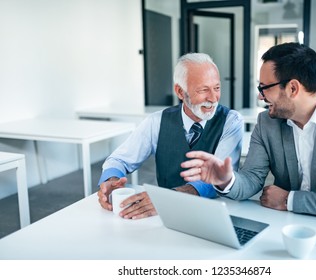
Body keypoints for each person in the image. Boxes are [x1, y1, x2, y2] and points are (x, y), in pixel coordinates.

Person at [180, 42, 316, 223]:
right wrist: (226, 180)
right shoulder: (267, 122)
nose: (260, 97)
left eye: (264, 88)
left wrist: (290, 200)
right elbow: (252, 178)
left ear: (293, 88)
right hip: (283, 227)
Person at [97, 52, 243, 219]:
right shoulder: (156, 121)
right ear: (180, 92)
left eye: (216, 88)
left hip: (214, 213)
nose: (213, 98)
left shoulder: (231, 121)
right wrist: (111, 181)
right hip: (164, 216)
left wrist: (168, 199)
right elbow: (118, 160)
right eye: (203, 90)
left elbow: (221, 177)